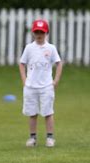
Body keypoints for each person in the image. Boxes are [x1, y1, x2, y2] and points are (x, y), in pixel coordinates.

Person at [19, 19, 63, 147]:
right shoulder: (29, 48)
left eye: (42, 32)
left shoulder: (51, 48)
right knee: (32, 113)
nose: (39, 35)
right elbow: (22, 63)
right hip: (30, 87)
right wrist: (24, 80)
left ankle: (50, 137)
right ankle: (32, 138)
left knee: (48, 112)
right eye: (37, 32)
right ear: (33, 33)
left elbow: (59, 63)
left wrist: (56, 80)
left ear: (46, 33)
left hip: (46, 86)